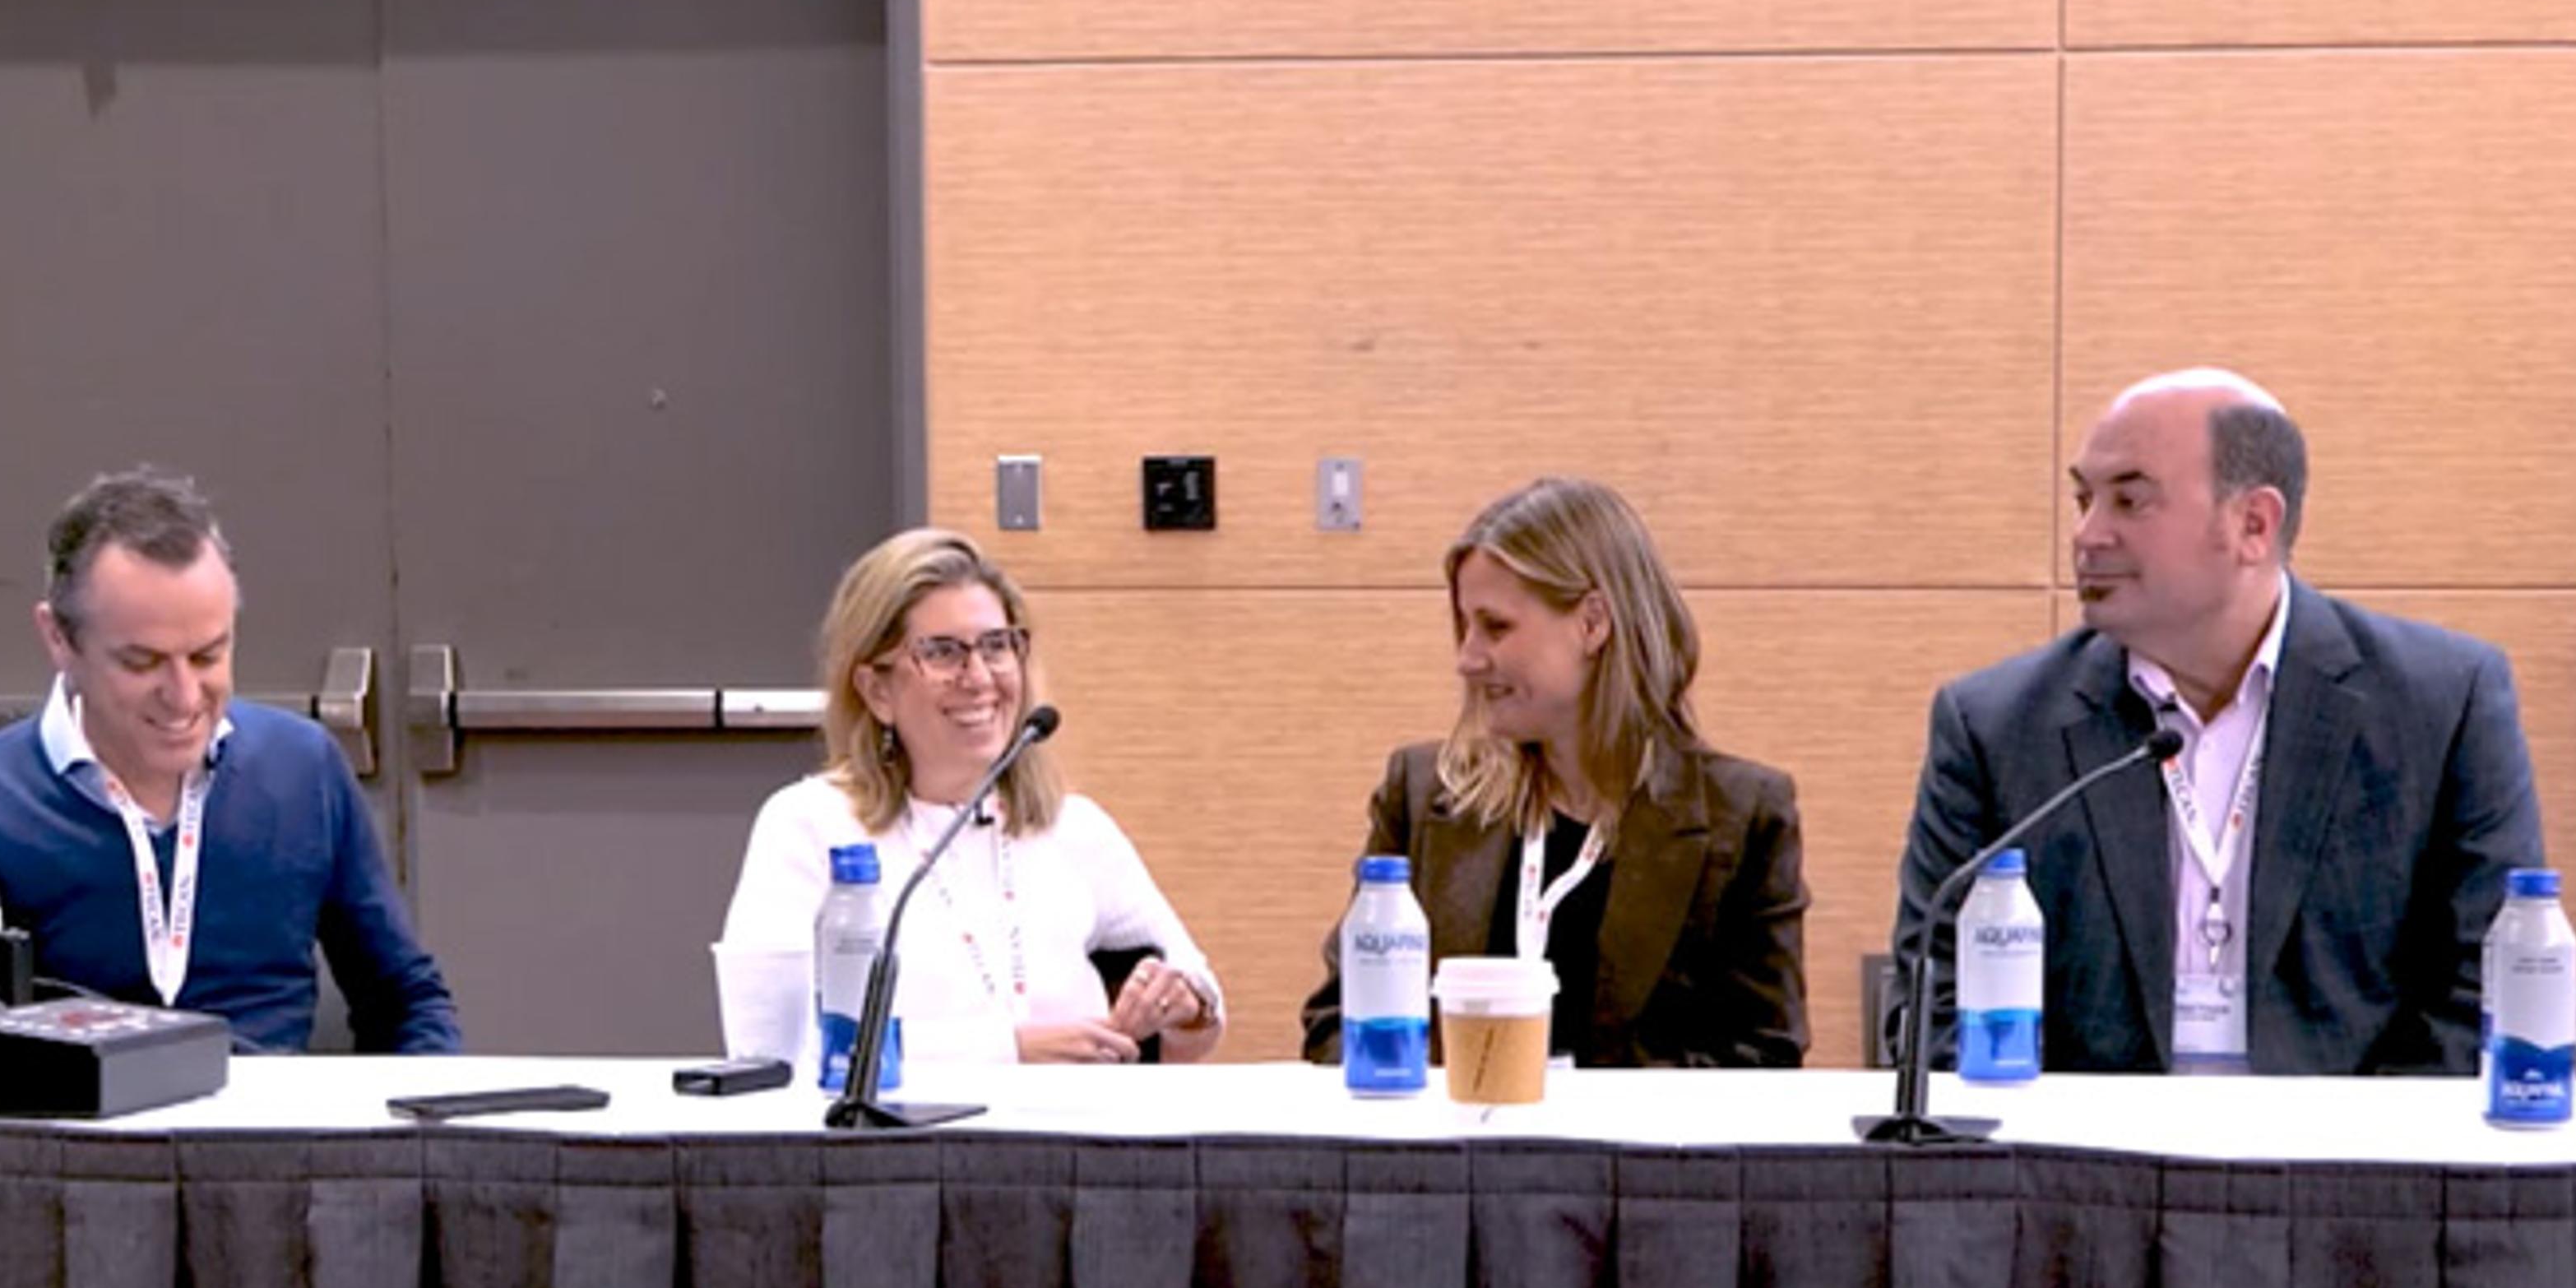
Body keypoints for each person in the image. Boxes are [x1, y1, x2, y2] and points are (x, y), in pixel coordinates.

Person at [1891, 368, 2543, 1075]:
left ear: (2253, 524)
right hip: (2081, 1143)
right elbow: (1933, 1006)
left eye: (2130, 500)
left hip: (2353, 1140)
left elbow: (2488, 990)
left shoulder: (2439, 705)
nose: (2087, 535)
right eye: (2084, 500)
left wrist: (2348, 1140)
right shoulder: (1996, 728)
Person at [1301, 477, 1808, 1067]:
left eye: (1495, 626)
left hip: (1628, 1133)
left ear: (1593, 623)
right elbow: (1338, 1023)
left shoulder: (1742, 817)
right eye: (1465, 627)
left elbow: (1764, 1060)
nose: (1467, 658)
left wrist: (1577, 1110)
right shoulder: (1419, 796)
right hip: (1450, 1128)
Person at [0, 470, 457, 1051]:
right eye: (142, 663)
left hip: (276, 1108)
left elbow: (406, 1003)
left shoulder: (301, 768)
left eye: (207, 656)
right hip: (75, 1108)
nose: (184, 697)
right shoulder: (4, 796)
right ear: (59, 638)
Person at [720, 528, 1221, 1064]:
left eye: (996, 646)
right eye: (943, 653)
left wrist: (1183, 1005)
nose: (979, 677)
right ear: (876, 689)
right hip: (899, 1122)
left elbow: (1197, 1005)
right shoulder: (808, 824)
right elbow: (770, 1050)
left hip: (1080, 1117)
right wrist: (1008, 1051)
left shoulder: (1075, 828)